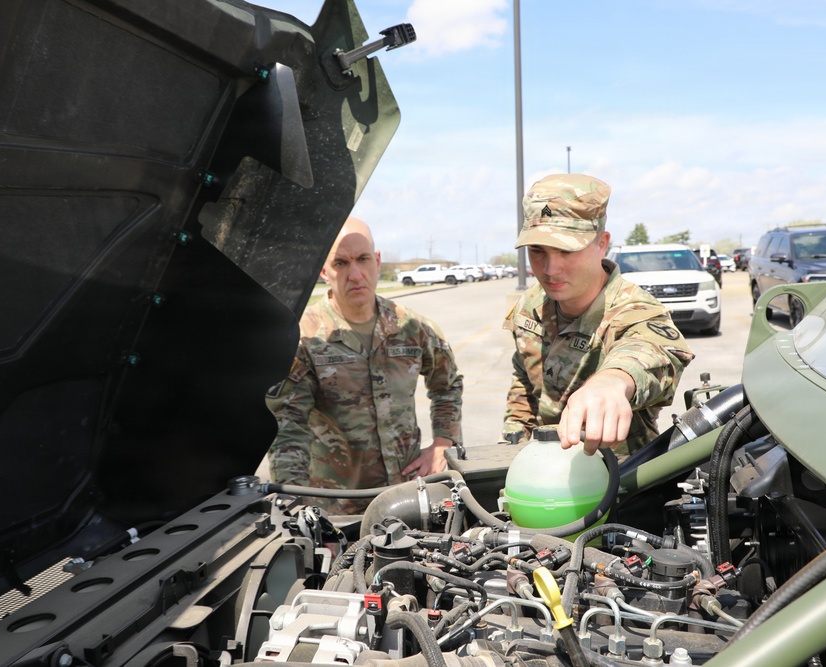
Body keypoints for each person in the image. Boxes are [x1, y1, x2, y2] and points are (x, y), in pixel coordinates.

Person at [266, 217, 463, 514]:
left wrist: (442, 443)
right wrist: (297, 510)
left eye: (362, 259)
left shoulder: (412, 326)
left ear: (378, 261)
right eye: (341, 263)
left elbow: (446, 385)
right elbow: (287, 428)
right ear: (324, 271)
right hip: (336, 507)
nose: (356, 274)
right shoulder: (305, 338)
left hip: (406, 496)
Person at [503, 174, 694, 457]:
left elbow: (654, 351)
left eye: (567, 250)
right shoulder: (531, 304)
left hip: (617, 478)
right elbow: (524, 383)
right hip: (541, 473)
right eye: (537, 250)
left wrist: (613, 381)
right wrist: (512, 450)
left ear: (601, 243)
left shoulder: (635, 310)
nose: (550, 269)